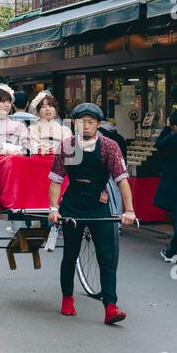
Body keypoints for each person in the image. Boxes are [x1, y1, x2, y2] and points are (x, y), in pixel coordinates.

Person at [48, 103, 136, 325]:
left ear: (98, 124)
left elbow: (122, 180)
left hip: (99, 205)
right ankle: (67, 297)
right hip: (73, 205)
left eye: (90, 122)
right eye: (81, 122)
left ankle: (110, 306)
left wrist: (129, 210)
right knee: (70, 254)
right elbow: (56, 180)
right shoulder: (67, 146)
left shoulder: (109, 146)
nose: (85, 126)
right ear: (74, 124)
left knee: (107, 257)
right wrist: (54, 208)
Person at [153, 110, 177, 262]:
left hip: (174, 187)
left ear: (174, 126)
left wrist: (166, 129)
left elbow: (158, 145)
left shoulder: (172, 139)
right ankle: (170, 252)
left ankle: (170, 252)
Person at [29, 90, 72, 155]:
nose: (47, 109)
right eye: (43, 106)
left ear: (55, 110)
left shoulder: (65, 130)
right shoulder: (32, 129)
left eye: (51, 106)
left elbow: (67, 149)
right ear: (38, 112)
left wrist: (45, 149)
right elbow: (34, 149)